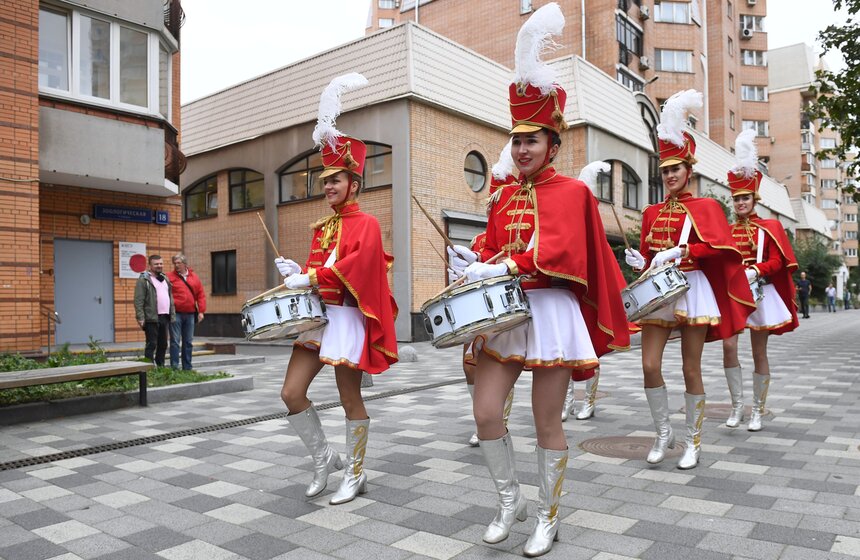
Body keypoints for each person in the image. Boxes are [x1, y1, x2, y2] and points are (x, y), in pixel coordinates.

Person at [448, 5, 630, 555]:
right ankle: (511, 501)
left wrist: (502, 264)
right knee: (484, 413)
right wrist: (471, 257)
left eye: (533, 139)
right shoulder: (502, 194)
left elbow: (563, 252)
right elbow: (494, 243)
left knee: (545, 420)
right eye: (516, 139)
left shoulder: (574, 193)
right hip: (504, 312)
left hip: (549, 313)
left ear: (554, 142)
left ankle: (548, 516)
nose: (522, 148)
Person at [276, 73, 398, 505]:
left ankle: (357, 473)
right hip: (316, 319)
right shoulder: (322, 225)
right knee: (291, 393)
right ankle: (324, 458)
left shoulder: (367, 223)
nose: (328, 187)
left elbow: (357, 268)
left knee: (350, 397)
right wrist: (298, 269)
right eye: (324, 180)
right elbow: (319, 267)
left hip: (346, 318)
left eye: (336, 180)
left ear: (354, 183)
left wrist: (310, 276)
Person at [624, 90, 755, 470]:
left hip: (692, 289)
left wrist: (684, 252)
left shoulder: (707, 207)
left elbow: (721, 249)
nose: (669, 176)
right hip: (658, 292)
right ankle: (663, 432)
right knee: (649, 365)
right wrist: (640, 261)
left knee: (690, 367)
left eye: (675, 169)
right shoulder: (650, 212)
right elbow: (650, 257)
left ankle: (693, 441)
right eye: (664, 170)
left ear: (689, 170)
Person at [721, 129, 799, 432]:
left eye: (745, 198)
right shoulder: (726, 229)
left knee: (758, 352)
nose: (740, 203)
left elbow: (779, 261)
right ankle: (737, 406)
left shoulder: (769, 227)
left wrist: (757, 270)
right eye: (736, 198)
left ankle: (758, 409)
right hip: (733, 296)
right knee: (728, 347)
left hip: (760, 295)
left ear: (755, 198)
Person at [456, 142, 517, 446]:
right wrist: (464, 267)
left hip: (507, 311)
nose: (494, 208)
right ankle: (484, 418)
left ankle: (499, 420)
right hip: (478, 312)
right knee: (469, 366)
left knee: (505, 362)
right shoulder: (480, 238)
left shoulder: (519, 232)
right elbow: (469, 277)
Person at [133, 255, 175, 367]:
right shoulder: (144, 279)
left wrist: (172, 315)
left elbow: (170, 298)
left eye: (161, 263)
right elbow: (138, 300)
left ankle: (160, 367)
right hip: (151, 317)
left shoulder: (165, 278)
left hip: (164, 316)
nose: (159, 266)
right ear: (150, 266)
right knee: (151, 344)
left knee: (163, 344)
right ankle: (148, 368)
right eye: (156, 264)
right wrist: (140, 317)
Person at [168, 253, 206, 370]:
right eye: (175, 263)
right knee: (174, 341)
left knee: (188, 342)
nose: (176, 265)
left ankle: (187, 367)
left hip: (190, 314)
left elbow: (200, 295)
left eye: (178, 263)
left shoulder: (194, 277)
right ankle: (174, 367)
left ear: (185, 264)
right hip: (176, 313)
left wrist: (201, 311)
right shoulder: (169, 276)